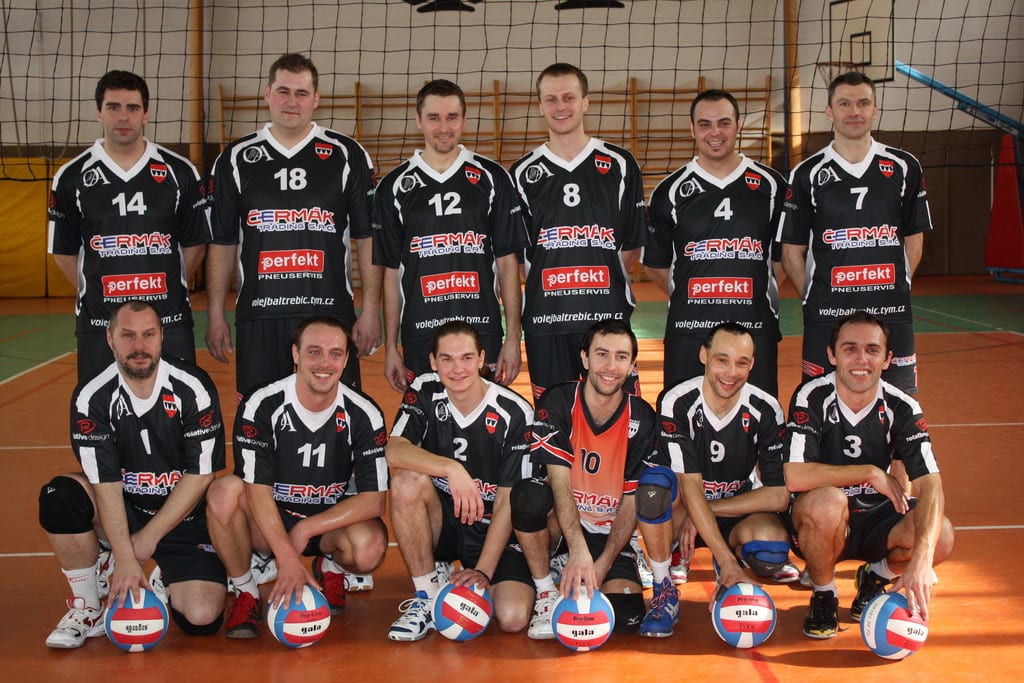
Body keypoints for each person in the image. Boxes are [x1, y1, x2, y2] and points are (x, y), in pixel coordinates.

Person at [38, 300, 226, 648]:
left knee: (201, 619)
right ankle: (88, 605)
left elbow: (201, 475)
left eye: (148, 334)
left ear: (162, 336)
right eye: (127, 335)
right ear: (110, 339)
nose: (139, 346)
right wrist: (125, 555)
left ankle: (160, 574)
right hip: (124, 512)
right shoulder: (92, 396)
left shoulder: (192, 387)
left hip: (186, 519)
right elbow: (105, 484)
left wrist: (146, 541)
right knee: (60, 497)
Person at [206, 53, 381, 398]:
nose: (291, 102)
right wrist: (214, 313)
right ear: (267, 93)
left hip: (329, 312)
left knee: (334, 414)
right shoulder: (236, 158)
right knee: (259, 415)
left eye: (301, 93)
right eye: (283, 91)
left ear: (316, 99)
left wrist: (371, 309)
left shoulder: (347, 154)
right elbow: (223, 242)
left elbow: (367, 237)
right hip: (260, 313)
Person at [205, 316, 389, 638]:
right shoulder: (262, 404)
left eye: (335, 353)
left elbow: (374, 501)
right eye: (314, 352)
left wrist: (307, 528)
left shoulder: (364, 413)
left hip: (326, 524)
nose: (324, 363)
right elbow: (256, 490)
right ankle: (246, 590)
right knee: (223, 493)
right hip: (270, 521)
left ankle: (329, 567)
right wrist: (287, 557)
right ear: (295, 354)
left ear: (346, 359)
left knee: (369, 546)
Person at [783, 311, 954, 639]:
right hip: (822, 521)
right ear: (832, 355)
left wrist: (921, 558)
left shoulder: (902, 406)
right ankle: (824, 593)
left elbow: (931, 484)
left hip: (877, 519)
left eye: (872, 350)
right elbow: (794, 475)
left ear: (887, 359)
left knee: (941, 535)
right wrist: (870, 472)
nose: (862, 359)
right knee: (827, 502)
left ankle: (876, 576)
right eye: (850, 349)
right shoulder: (812, 396)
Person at [634, 322, 797, 638]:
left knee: (771, 554)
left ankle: (729, 557)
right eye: (722, 360)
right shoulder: (677, 401)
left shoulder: (766, 408)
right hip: (684, 508)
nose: (731, 373)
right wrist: (706, 525)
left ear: (752, 364)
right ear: (703, 355)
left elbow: (778, 495)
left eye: (742, 363)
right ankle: (664, 586)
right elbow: (690, 486)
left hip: (735, 510)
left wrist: (710, 510)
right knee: (652, 489)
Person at [48, 70, 209, 384]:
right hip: (101, 323)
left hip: (168, 319)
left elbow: (196, 245)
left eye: (132, 108)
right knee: (101, 409)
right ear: (99, 112)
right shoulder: (72, 176)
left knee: (175, 407)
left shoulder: (179, 172)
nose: (123, 116)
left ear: (146, 113)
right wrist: (96, 291)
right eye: (113, 107)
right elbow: (63, 252)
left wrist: (166, 285)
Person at [781, 72, 932, 394]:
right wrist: (812, 297)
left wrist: (899, 285)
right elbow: (792, 251)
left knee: (898, 404)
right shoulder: (807, 173)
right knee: (820, 402)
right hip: (827, 314)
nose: (854, 111)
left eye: (863, 103)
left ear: (875, 109)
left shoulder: (905, 166)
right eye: (844, 104)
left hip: (891, 311)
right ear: (829, 111)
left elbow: (914, 239)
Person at [385, 321, 535, 641]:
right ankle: (427, 595)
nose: (457, 369)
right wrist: (451, 469)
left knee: (512, 617)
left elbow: (507, 502)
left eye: (466, 358)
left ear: (481, 359)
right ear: (433, 362)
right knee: (406, 482)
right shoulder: (425, 390)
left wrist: (483, 571)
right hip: (447, 523)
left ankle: (474, 575)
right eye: (447, 359)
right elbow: (394, 450)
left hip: (494, 530)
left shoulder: (514, 412)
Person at [510, 319, 657, 639]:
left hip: (609, 532)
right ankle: (545, 590)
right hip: (561, 527)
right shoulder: (559, 402)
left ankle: (597, 566)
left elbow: (632, 500)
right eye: (602, 354)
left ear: (632, 365)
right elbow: (559, 484)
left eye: (621, 357)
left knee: (627, 618)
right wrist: (577, 549)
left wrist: (602, 564)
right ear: (585, 358)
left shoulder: (643, 418)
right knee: (528, 495)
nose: (611, 366)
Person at [509, 63, 648, 400]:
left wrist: (597, 280)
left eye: (569, 97)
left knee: (617, 415)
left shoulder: (620, 164)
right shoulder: (521, 173)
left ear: (585, 102)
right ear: (540, 106)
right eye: (551, 99)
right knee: (554, 418)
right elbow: (517, 257)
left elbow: (631, 246)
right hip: (546, 322)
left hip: (607, 319)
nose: (561, 107)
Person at [645, 90, 787, 396]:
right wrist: (691, 293)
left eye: (724, 123)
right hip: (689, 330)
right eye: (705, 124)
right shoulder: (669, 191)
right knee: (683, 413)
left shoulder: (772, 186)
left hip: (755, 327)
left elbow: (782, 260)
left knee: (758, 415)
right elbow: (655, 266)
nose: (715, 132)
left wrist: (756, 290)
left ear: (738, 125)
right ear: (692, 129)